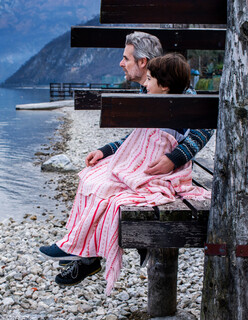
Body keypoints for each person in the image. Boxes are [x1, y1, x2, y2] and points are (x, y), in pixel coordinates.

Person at [39, 52, 212, 295]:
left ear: (163, 85)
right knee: (90, 176)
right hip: (140, 164)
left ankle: (81, 251)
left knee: (109, 194)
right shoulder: (154, 99)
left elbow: (194, 133)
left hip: (155, 171)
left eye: (126, 57)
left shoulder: (182, 102)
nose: (122, 63)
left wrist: (174, 159)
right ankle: (79, 247)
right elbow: (133, 140)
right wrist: (105, 151)